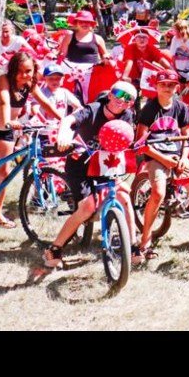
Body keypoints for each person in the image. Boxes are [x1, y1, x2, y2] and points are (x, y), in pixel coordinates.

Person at [43, 81, 139, 268]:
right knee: (87, 207)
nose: (122, 100)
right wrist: (64, 135)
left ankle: (134, 246)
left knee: (124, 196)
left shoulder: (127, 115)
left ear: (131, 104)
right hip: (80, 163)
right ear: (110, 94)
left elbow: (126, 138)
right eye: (119, 94)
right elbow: (68, 120)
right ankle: (54, 249)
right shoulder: (93, 109)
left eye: (129, 98)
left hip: (105, 162)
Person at [133, 69, 189, 261]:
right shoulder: (149, 109)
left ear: (177, 87)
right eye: (163, 84)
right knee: (158, 193)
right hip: (155, 154)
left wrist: (183, 157)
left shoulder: (181, 108)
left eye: (171, 85)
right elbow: (141, 144)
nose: (167, 88)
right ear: (156, 86)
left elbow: (186, 137)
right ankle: (145, 238)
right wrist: (164, 160)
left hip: (176, 154)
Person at [0, 53, 61, 227]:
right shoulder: (4, 80)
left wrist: (63, 119)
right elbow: (4, 103)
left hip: (5, 132)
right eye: (20, 71)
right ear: (13, 70)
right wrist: (9, 120)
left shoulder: (30, 85)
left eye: (28, 71)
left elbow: (45, 103)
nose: (24, 75)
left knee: (3, 173)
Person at [55, 10, 116, 104]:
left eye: (87, 22)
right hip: (72, 73)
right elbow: (62, 56)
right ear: (76, 23)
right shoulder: (69, 37)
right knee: (71, 98)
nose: (84, 24)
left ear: (92, 24)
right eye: (81, 21)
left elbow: (104, 54)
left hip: (92, 74)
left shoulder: (98, 38)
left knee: (91, 97)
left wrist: (106, 57)